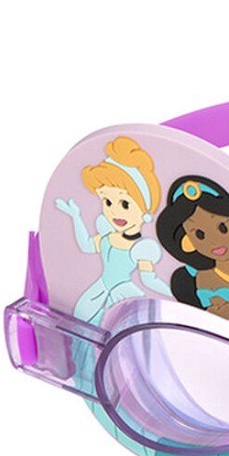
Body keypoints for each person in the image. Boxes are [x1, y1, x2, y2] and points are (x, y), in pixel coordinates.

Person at [55, 136, 170, 326]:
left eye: (125, 204)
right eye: (108, 202)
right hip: (99, 291)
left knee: (124, 329)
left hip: (123, 295)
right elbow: (86, 246)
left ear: (144, 209)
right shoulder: (107, 238)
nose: (115, 211)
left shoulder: (141, 248)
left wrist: (175, 294)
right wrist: (76, 216)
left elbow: (149, 280)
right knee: (86, 323)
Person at [156, 176, 229, 331]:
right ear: (188, 244)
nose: (214, 241)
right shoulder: (203, 278)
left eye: (222, 228)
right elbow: (213, 315)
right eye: (199, 235)